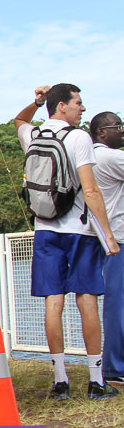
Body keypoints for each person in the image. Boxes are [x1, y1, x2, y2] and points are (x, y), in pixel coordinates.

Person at [14, 84, 119, 400]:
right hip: (79, 231)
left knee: (53, 301)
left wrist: (35, 103)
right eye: (78, 103)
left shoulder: (35, 136)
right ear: (62, 106)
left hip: (45, 231)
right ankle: (96, 380)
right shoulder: (78, 137)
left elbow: (19, 121)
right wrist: (109, 235)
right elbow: (90, 190)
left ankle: (60, 380)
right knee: (86, 300)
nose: (82, 109)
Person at [91, 112, 124, 385]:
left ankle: (113, 365)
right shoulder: (111, 157)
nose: (122, 131)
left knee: (115, 302)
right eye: (118, 126)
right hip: (118, 237)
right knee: (118, 304)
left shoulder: (90, 157)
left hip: (101, 236)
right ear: (102, 132)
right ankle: (115, 367)